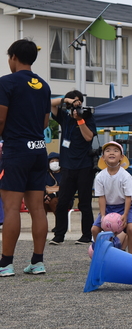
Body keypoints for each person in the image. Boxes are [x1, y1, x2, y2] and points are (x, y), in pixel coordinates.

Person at [0, 39, 52, 277]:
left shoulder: (6, 82)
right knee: (37, 209)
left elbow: (1, 119)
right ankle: (37, 262)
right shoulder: (43, 86)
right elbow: (43, 123)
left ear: (13, 57)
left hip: (16, 149)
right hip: (39, 149)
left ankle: (6, 263)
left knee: (11, 208)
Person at [49, 90, 97, 246]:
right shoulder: (64, 117)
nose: (76, 104)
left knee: (84, 203)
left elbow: (89, 137)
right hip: (68, 167)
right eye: (73, 102)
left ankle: (86, 235)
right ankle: (59, 235)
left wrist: (80, 120)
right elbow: (50, 104)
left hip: (84, 166)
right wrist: (65, 100)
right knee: (62, 202)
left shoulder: (88, 117)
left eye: (78, 101)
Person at [90, 141, 132, 253]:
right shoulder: (100, 176)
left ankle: (131, 255)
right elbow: (101, 197)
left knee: (130, 228)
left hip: (125, 205)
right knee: (94, 229)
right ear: (103, 157)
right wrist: (102, 215)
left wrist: (125, 215)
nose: (112, 153)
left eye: (116, 151)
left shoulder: (126, 176)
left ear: (121, 157)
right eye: (108, 151)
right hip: (108, 206)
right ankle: (100, 253)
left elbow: (128, 197)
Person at [44, 152, 61, 219]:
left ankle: (60, 223)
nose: (54, 163)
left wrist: (52, 195)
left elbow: (67, 189)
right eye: (52, 161)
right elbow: (41, 186)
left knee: (53, 201)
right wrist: (45, 196)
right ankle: (42, 225)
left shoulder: (65, 174)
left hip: (62, 199)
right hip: (47, 197)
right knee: (41, 204)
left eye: (56, 161)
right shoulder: (45, 174)